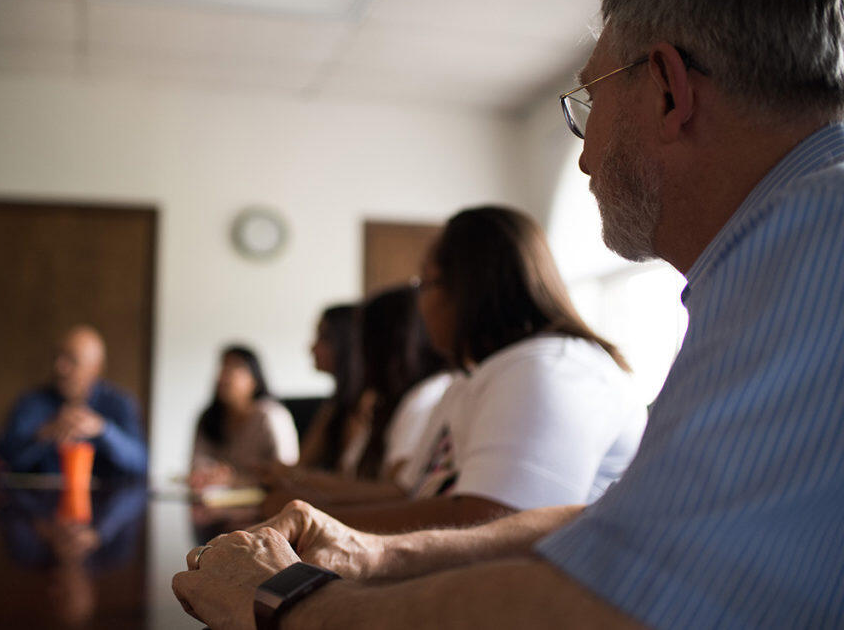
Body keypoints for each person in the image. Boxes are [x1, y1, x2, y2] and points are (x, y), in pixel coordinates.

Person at [173, 0, 844, 628]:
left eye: (591, 98)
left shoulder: (814, 232)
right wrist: (375, 555)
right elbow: (620, 522)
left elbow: (624, 604)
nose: (583, 154)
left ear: (669, 89)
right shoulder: (789, 239)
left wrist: (286, 604)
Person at [269, 207, 645, 532]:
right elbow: (413, 494)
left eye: (426, 284)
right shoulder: (476, 378)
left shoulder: (545, 370)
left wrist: (314, 521)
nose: (421, 305)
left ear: (467, 289)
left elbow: (492, 523)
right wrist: (306, 508)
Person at [263, 284, 451, 507]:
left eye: (364, 339)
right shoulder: (382, 400)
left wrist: (297, 485)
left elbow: (393, 493)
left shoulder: (424, 397)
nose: (358, 349)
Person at [0, 325, 148, 478]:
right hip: (39, 500)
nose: (60, 367)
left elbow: (140, 464)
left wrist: (101, 429)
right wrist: (45, 434)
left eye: (72, 360)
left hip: (105, 501)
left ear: (95, 368)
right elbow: (2, 460)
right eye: (57, 357)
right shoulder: (32, 402)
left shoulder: (120, 404)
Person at [190, 345, 298, 489]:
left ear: (254, 379)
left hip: (264, 504)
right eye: (222, 367)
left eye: (234, 368)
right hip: (213, 505)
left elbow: (286, 472)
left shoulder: (271, 416)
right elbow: (197, 463)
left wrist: (235, 480)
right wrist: (207, 473)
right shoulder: (209, 417)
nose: (223, 376)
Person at [294, 305, 363, 471]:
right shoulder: (335, 403)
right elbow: (302, 465)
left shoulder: (363, 404)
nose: (312, 348)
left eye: (323, 337)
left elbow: (348, 478)